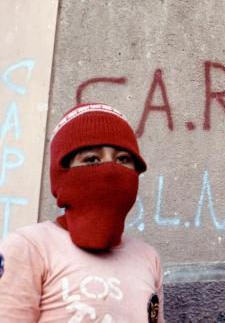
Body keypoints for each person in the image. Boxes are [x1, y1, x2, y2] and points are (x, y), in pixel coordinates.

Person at [0, 103, 164, 322]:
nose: (110, 170)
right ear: (63, 173)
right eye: (92, 159)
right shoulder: (30, 247)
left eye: (123, 159)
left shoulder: (148, 258)